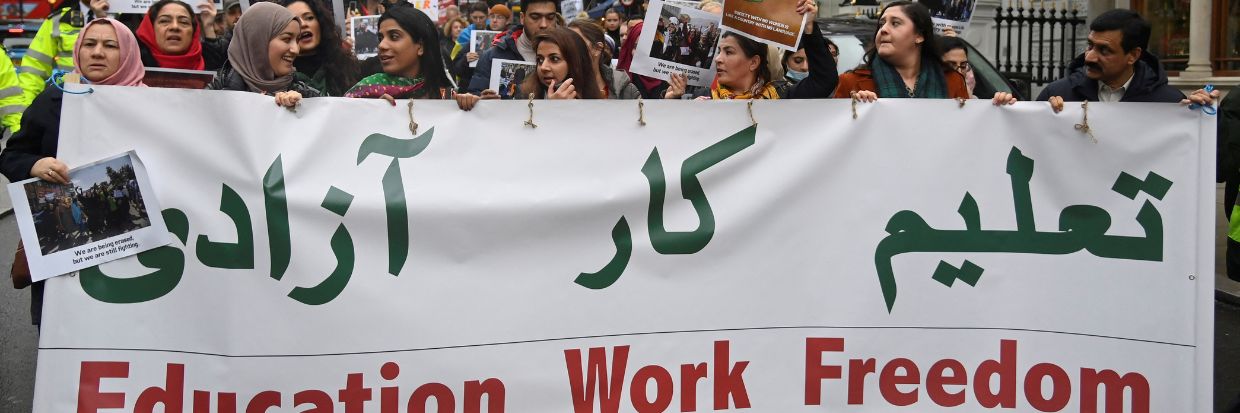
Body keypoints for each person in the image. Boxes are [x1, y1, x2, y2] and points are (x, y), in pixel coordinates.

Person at [0, 18, 146, 327]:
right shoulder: (53, 101)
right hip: (64, 261)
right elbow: (12, 155)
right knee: (63, 339)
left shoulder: (149, 105)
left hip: (134, 251)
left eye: (110, 46)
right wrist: (33, 165)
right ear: (77, 51)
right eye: (90, 44)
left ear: (129, 54)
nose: (97, 52)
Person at [835, 1, 1013, 104]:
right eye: (881, 24)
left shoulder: (952, 80)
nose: (883, 30)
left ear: (919, 35)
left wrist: (997, 110)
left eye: (895, 23)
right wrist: (856, 109)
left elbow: (966, 135)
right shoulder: (851, 82)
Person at [1038, 9, 1213, 112]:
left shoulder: (1168, 103)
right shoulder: (1057, 94)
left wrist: (1203, 116)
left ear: (1133, 56)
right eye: (1090, 46)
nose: (1089, 57)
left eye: (1104, 50)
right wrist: (1011, 111)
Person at [666, 0, 834, 100]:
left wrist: (809, 26)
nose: (718, 59)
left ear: (754, 62)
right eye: (719, 51)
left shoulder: (779, 96)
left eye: (729, 52)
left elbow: (824, 81)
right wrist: (673, 101)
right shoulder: (702, 98)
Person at [344, 3, 482, 110]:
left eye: (394, 36)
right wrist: (371, 111)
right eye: (381, 38)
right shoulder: (368, 90)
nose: (382, 45)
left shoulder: (444, 96)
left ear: (420, 46)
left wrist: (475, 105)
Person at [207, 2, 320, 108]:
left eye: (297, 40)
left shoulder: (304, 94)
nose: (296, 50)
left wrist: (304, 108)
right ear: (257, 42)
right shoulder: (213, 94)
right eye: (286, 39)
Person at [466, 0, 560, 95]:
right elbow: (475, 96)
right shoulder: (493, 56)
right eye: (535, 17)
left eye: (550, 17)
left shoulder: (569, 53)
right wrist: (480, 100)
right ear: (522, 18)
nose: (543, 24)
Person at [276, 0, 362, 96]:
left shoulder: (347, 66)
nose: (303, 24)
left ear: (320, 22)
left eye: (309, 18)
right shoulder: (275, 76)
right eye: (295, 21)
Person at [136, 0, 228, 71]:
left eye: (184, 22)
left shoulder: (220, 71)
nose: (175, 27)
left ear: (194, 32)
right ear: (151, 29)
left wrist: (208, 26)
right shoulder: (133, 66)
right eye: (164, 21)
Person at [518, 26, 603, 99]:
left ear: (575, 62)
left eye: (554, 59)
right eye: (540, 60)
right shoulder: (524, 95)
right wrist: (552, 109)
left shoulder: (596, 100)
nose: (543, 67)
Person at [567, 19, 638, 99]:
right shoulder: (558, 91)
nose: (569, 49)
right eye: (566, 44)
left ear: (597, 48)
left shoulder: (626, 90)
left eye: (576, 43)